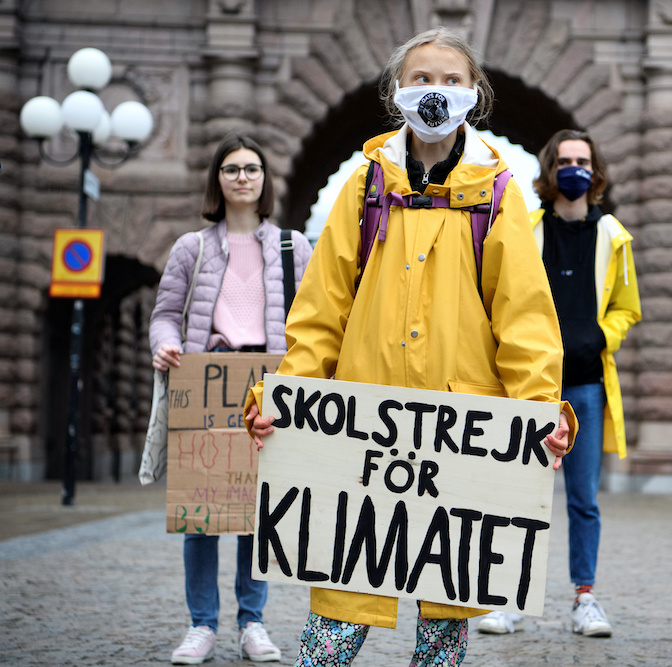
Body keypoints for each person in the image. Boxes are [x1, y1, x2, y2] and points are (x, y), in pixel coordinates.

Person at [242, 27, 575, 667]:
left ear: (474, 95)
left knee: (444, 619)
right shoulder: (364, 187)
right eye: (422, 78)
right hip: (358, 433)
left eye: (452, 80)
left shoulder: (498, 194)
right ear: (398, 92)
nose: (436, 92)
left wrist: (539, 409)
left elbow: (524, 317)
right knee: (336, 616)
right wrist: (285, 395)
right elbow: (319, 312)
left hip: (458, 433)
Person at [149, 133, 313, 665]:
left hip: (267, 384)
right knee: (201, 513)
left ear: (265, 180)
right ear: (217, 180)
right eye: (231, 169)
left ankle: (253, 622)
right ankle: (201, 625)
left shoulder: (293, 247)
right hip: (205, 380)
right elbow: (166, 315)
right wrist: (166, 344)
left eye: (252, 169)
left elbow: (310, 323)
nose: (242, 177)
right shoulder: (190, 248)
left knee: (255, 511)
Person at [477, 129, 641, 638]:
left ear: (596, 172)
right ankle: (506, 598)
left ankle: (585, 598)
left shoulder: (614, 236)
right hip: (533, 390)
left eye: (584, 160)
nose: (575, 168)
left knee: (583, 499)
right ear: (550, 170)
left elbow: (628, 309)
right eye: (566, 160)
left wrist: (600, 337)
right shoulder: (526, 229)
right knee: (520, 494)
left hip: (588, 386)